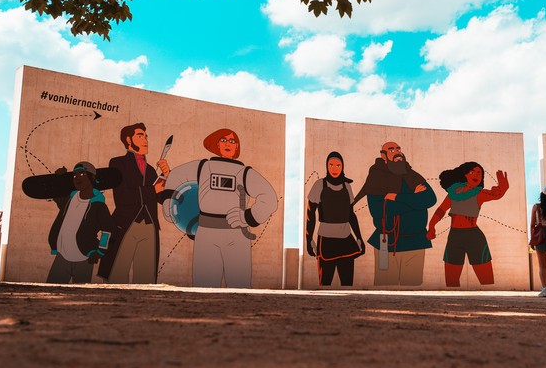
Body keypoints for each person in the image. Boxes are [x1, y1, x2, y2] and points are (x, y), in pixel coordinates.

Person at [162, 128, 278, 288]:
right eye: (223, 140)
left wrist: (248, 217)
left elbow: (270, 198)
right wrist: (170, 204)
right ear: (216, 144)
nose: (228, 144)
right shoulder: (203, 167)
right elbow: (176, 176)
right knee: (203, 285)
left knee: (240, 286)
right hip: (206, 233)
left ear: (237, 147)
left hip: (236, 235)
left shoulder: (245, 173)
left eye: (232, 141)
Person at [354, 141, 436, 286]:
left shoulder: (412, 175)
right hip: (386, 243)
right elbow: (380, 211)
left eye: (398, 149)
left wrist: (397, 197)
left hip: (416, 243)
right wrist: (414, 201)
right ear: (383, 156)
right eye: (391, 150)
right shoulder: (376, 178)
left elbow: (430, 199)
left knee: (414, 291)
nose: (397, 152)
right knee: (385, 290)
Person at [98, 123, 170, 284]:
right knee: (116, 273)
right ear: (128, 140)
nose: (145, 139)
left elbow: (160, 198)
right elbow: (122, 197)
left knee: (146, 277)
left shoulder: (151, 171)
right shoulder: (118, 163)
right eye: (140, 136)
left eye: (146, 136)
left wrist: (167, 176)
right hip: (125, 223)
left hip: (149, 225)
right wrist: (153, 190)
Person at [427, 162, 509, 287]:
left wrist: (503, 187)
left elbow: (497, 194)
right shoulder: (454, 193)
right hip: (454, 237)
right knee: (451, 283)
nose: (476, 175)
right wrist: (432, 226)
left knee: (487, 283)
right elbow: (440, 210)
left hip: (474, 238)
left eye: (479, 173)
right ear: (465, 174)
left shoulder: (480, 193)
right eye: (472, 172)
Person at [305, 152, 365, 286]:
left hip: (346, 239)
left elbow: (351, 215)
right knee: (325, 283)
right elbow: (310, 215)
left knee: (347, 284)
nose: (334, 168)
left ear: (342, 167)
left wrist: (359, 237)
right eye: (331, 165)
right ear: (326, 166)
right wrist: (308, 239)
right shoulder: (319, 185)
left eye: (338, 165)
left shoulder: (346, 186)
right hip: (326, 240)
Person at [47, 162, 113, 284]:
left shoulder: (99, 205)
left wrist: (99, 252)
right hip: (62, 257)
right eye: (74, 175)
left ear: (92, 177)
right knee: (50, 292)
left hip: (84, 258)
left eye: (82, 174)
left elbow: (107, 231)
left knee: (81, 295)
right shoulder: (69, 199)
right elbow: (55, 192)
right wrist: (59, 178)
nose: (77, 178)